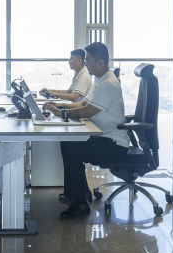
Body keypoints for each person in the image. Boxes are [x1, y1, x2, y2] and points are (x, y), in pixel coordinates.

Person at [42, 41, 129, 218]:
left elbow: (87, 111)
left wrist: (61, 112)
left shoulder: (109, 84)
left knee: (72, 149)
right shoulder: (100, 81)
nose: (86, 64)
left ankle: (80, 203)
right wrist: (59, 106)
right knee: (69, 144)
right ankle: (79, 194)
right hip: (102, 135)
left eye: (88, 61)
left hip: (113, 142)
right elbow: (83, 104)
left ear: (100, 62)